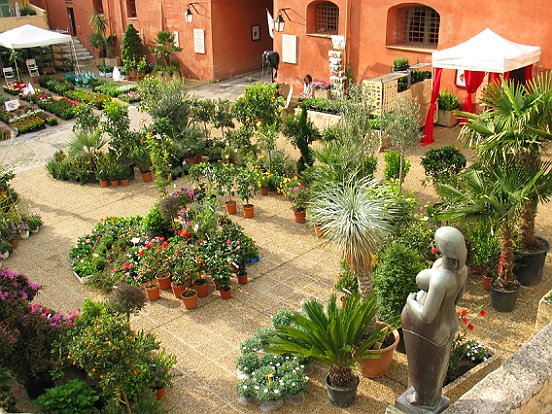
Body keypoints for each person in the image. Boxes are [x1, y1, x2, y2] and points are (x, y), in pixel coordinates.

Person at [399, 226, 468, 411]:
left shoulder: (440, 279)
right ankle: (432, 398)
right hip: (448, 322)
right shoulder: (462, 271)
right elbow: (457, 300)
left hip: (431, 330)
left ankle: (422, 400)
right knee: (438, 366)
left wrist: (410, 300)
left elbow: (426, 316)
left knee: (424, 367)